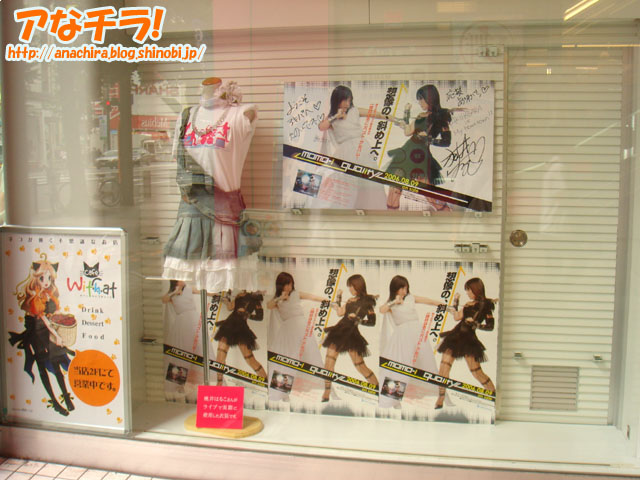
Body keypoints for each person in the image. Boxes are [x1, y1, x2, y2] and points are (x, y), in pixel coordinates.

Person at [163, 78, 258, 293]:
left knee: (220, 275)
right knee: (192, 276)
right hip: (190, 210)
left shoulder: (242, 114)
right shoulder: (186, 117)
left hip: (225, 209)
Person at [318, 85, 404, 210]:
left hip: (361, 148)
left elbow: (377, 114)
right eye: (345, 100)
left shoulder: (354, 111)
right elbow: (321, 127)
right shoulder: (332, 117)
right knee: (345, 184)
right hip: (345, 151)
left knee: (370, 181)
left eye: (349, 100)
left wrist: (396, 120)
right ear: (337, 99)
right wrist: (336, 116)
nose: (347, 103)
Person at [8, 256, 75, 416]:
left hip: (46, 330)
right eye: (43, 278)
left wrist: (61, 319)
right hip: (36, 333)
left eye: (49, 278)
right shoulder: (35, 297)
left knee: (56, 361)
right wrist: (57, 335)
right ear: (36, 277)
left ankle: (66, 397)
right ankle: (55, 402)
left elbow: (53, 313)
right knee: (42, 366)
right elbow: (43, 319)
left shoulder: (48, 294)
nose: (46, 282)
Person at [379, 275, 451, 408]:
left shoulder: (410, 298)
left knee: (426, 361)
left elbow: (429, 301)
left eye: (406, 288)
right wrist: (394, 302)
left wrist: (447, 307)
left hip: (417, 333)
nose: (404, 291)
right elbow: (381, 310)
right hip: (403, 335)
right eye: (401, 288)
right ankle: (393, 399)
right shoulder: (390, 303)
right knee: (401, 364)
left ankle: (440, 395)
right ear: (395, 288)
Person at [385, 84, 452, 211]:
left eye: (421, 99)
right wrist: (406, 113)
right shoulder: (421, 115)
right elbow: (407, 132)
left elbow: (446, 142)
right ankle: (390, 219)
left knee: (429, 194)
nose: (420, 102)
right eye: (419, 99)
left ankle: (449, 215)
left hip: (421, 156)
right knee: (394, 188)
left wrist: (429, 139)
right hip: (406, 153)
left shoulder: (441, 116)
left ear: (430, 98)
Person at [435, 277, 496, 409]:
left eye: (469, 290)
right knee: (444, 367)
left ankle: (494, 395)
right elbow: (457, 317)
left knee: (476, 372)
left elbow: (490, 326)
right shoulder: (468, 304)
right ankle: (440, 398)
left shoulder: (486, 305)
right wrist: (456, 302)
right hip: (455, 337)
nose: (467, 293)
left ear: (476, 289)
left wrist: (476, 324)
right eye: (467, 290)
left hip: (469, 340)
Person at [266, 272, 325, 401]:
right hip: (288, 330)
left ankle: (320, 390)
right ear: (280, 285)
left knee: (311, 355)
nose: (288, 287)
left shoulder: (296, 294)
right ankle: (282, 392)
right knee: (287, 359)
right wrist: (280, 298)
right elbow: (268, 306)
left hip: (302, 326)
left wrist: (328, 301)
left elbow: (312, 297)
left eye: (290, 284)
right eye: (286, 284)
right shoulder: (277, 299)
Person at [321, 274, 378, 402]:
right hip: (339, 331)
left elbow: (372, 322)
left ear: (358, 286)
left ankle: (378, 390)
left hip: (352, 334)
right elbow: (340, 313)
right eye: (349, 286)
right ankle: (326, 392)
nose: (350, 289)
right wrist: (339, 297)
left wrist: (357, 319)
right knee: (329, 361)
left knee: (360, 366)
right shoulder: (350, 300)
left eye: (352, 286)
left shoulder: (368, 302)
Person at [213, 290, 267, 385]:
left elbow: (260, 317)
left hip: (241, 329)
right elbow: (230, 307)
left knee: (250, 360)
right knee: (220, 354)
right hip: (228, 325)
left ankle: (266, 383)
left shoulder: (256, 298)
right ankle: (219, 384)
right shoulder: (239, 294)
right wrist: (225, 301)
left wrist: (247, 314)